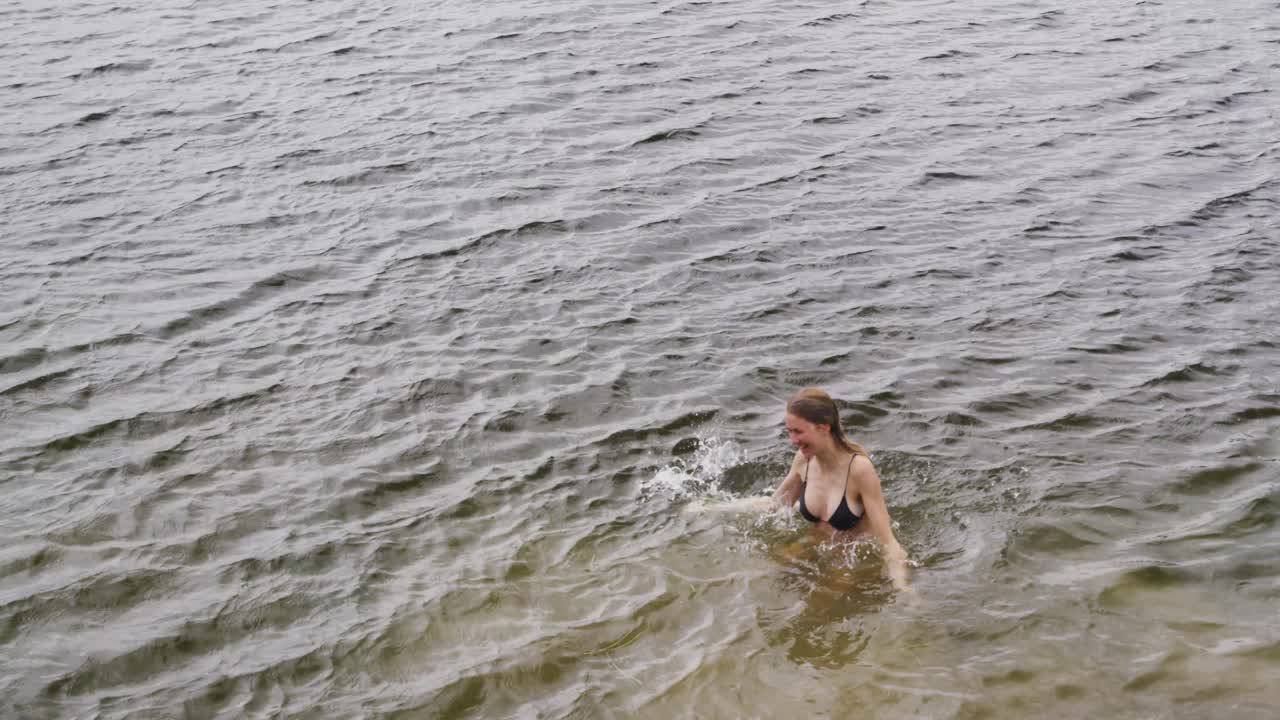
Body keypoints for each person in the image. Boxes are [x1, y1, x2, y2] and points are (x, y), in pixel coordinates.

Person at [769, 388, 911, 592]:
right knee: (772, 564)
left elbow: (889, 542)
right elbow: (774, 505)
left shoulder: (859, 469)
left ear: (823, 428)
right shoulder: (803, 460)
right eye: (789, 431)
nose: (793, 440)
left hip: (852, 557)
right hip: (816, 544)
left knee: (828, 595)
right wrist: (721, 507)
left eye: (798, 432)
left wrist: (903, 589)